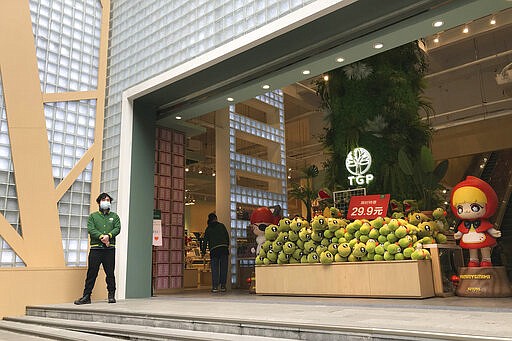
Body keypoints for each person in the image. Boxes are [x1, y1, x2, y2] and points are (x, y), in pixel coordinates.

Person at [74, 193, 121, 304]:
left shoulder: (114, 216)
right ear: (99, 202)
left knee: (110, 273)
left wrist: (108, 235)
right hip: (96, 249)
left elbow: (117, 228)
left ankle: (111, 295)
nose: (106, 201)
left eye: (108, 200)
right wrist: (101, 237)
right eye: (103, 199)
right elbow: (91, 229)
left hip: (109, 250)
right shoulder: (93, 216)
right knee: (92, 273)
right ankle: (86, 296)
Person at [201, 212, 229, 293]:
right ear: (216, 218)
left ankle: (215, 287)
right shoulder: (222, 226)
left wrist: (203, 251)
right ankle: (223, 286)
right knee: (224, 268)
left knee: (215, 269)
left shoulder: (208, 229)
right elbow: (227, 237)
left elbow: (205, 241)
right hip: (223, 249)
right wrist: (226, 245)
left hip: (214, 250)